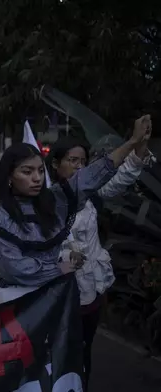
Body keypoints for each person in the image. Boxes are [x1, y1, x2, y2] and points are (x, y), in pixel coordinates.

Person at [0, 118, 151, 305]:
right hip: (18, 306)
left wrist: (133, 142)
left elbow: (92, 176)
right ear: (9, 176)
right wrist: (59, 268)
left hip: (56, 299)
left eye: (40, 171)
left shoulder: (54, 200)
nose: (36, 178)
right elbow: (15, 268)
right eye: (27, 171)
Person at [47, 116, 151, 390]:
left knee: (83, 354)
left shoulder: (93, 194)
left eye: (83, 161)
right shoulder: (48, 202)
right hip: (59, 296)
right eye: (72, 160)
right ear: (56, 165)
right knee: (59, 357)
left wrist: (140, 143)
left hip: (91, 294)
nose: (79, 167)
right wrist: (66, 259)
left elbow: (124, 176)